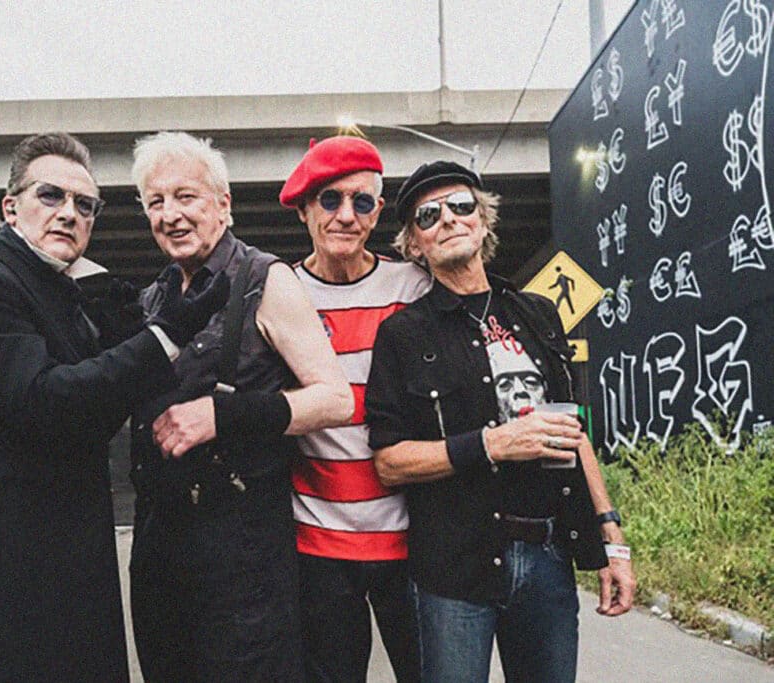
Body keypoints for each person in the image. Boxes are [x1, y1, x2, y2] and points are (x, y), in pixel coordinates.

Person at [0, 132, 228, 682]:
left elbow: (95, 414)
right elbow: (46, 401)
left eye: (86, 205)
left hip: (66, 561)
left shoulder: (63, 296)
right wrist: (161, 336)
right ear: (10, 207)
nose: (69, 213)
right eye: (50, 195)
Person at [365, 161, 636, 683]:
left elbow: (574, 435)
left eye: (461, 205)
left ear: (483, 220)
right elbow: (389, 463)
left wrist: (611, 538)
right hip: (453, 568)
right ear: (414, 244)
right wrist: (492, 443)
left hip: (548, 556)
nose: (448, 219)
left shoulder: (538, 314)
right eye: (428, 215)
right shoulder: (402, 335)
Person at [127, 131, 354, 682]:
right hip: (160, 544)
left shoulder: (265, 279)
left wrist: (223, 416)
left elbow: (335, 399)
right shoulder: (153, 298)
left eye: (186, 196)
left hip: (243, 549)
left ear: (223, 204)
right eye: (156, 202)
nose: (171, 215)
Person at [278, 136, 427, 682]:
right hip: (317, 541)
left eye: (361, 202)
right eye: (330, 200)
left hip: (412, 539)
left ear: (378, 212)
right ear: (304, 209)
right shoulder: (280, 292)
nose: (346, 216)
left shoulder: (413, 286)